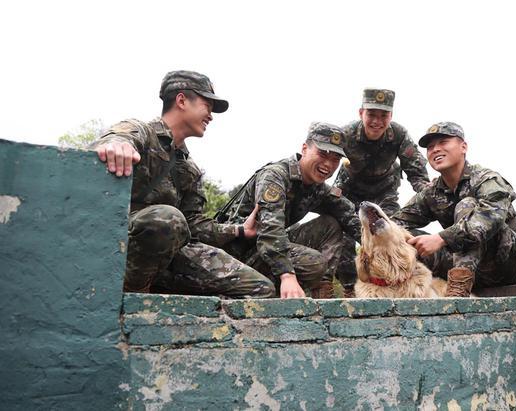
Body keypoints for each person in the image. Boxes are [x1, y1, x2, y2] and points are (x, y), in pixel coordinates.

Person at [91, 70, 275, 298]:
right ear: (181, 100)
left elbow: (193, 226)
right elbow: (117, 138)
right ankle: (134, 298)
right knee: (167, 219)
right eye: (207, 105)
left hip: (169, 255)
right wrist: (116, 145)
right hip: (117, 248)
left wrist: (239, 230)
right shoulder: (142, 132)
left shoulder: (189, 168)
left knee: (260, 288)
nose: (211, 116)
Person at [217, 122, 361, 299]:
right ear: (305, 148)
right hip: (239, 255)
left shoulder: (318, 188)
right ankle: (280, 289)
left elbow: (350, 217)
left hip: (266, 250)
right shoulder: (275, 176)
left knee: (331, 224)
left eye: (335, 159)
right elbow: (270, 230)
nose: (328, 164)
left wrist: (394, 240)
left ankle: (322, 295)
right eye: (323, 154)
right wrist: (287, 275)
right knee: (314, 262)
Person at [392, 122, 516, 297]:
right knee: (402, 234)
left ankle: (458, 291)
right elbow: (395, 223)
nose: (435, 149)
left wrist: (441, 238)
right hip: (467, 269)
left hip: (506, 265)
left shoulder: (486, 179)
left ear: (463, 147)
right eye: (430, 147)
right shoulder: (432, 193)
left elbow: (490, 218)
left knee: (467, 205)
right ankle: (406, 291)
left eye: (443, 143)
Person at [335, 88, 430, 297]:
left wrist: (430, 197)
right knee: (344, 236)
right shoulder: (345, 135)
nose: (377, 121)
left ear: (391, 117)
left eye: (383, 116)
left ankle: (401, 282)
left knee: (395, 233)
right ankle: (349, 290)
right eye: (371, 115)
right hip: (351, 193)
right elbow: (326, 162)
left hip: (385, 192)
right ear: (361, 113)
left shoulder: (398, 134)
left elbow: (417, 172)